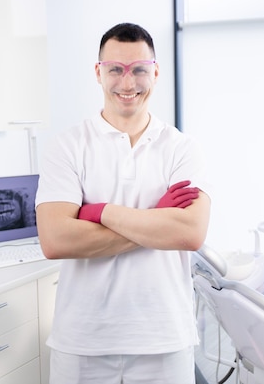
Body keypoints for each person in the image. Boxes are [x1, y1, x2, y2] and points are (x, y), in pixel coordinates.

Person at [35, 23, 211, 384]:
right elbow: (56, 241)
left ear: (156, 72)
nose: (127, 84)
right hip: (82, 342)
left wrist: (98, 212)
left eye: (139, 70)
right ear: (98, 73)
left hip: (164, 339)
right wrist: (156, 219)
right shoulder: (67, 146)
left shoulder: (182, 149)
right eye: (115, 69)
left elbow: (190, 234)